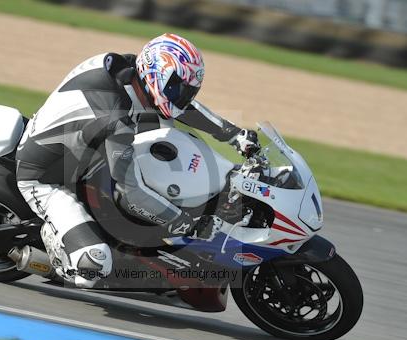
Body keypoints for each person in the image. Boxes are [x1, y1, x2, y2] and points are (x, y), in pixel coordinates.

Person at [15, 33, 259, 288]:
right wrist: (183, 223)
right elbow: (130, 191)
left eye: (188, 91)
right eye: (178, 89)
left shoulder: (130, 70)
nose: (182, 97)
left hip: (82, 152)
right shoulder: (115, 118)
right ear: (158, 76)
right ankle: (55, 258)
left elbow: (182, 108)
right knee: (93, 266)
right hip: (47, 179)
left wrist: (234, 135)